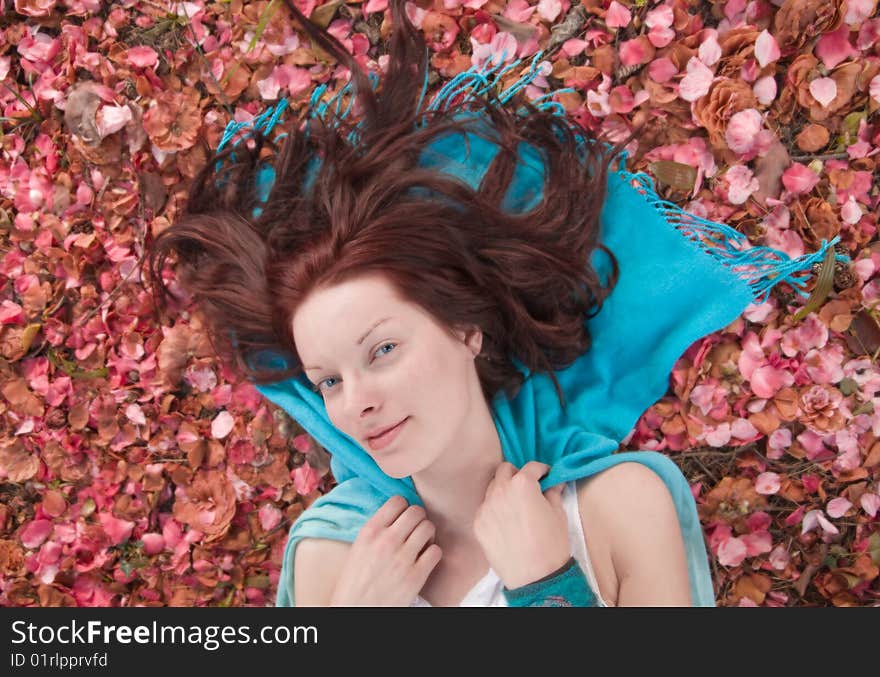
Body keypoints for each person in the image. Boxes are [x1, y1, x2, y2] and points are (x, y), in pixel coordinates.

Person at [146, 0, 847, 606]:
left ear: (466, 330)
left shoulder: (621, 510)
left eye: (383, 350)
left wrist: (550, 586)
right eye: (330, 380)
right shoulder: (334, 559)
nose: (355, 402)